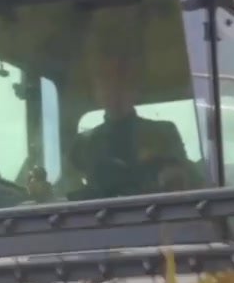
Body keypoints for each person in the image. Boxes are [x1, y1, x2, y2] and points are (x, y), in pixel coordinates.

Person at [67, 42, 202, 199]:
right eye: (105, 79)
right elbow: (69, 193)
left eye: (121, 78)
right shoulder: (84, 144)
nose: (113, 87)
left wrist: (174, 176)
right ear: (96, 89)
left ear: (134, 87)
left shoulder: (164, 133)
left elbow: (186, 182)